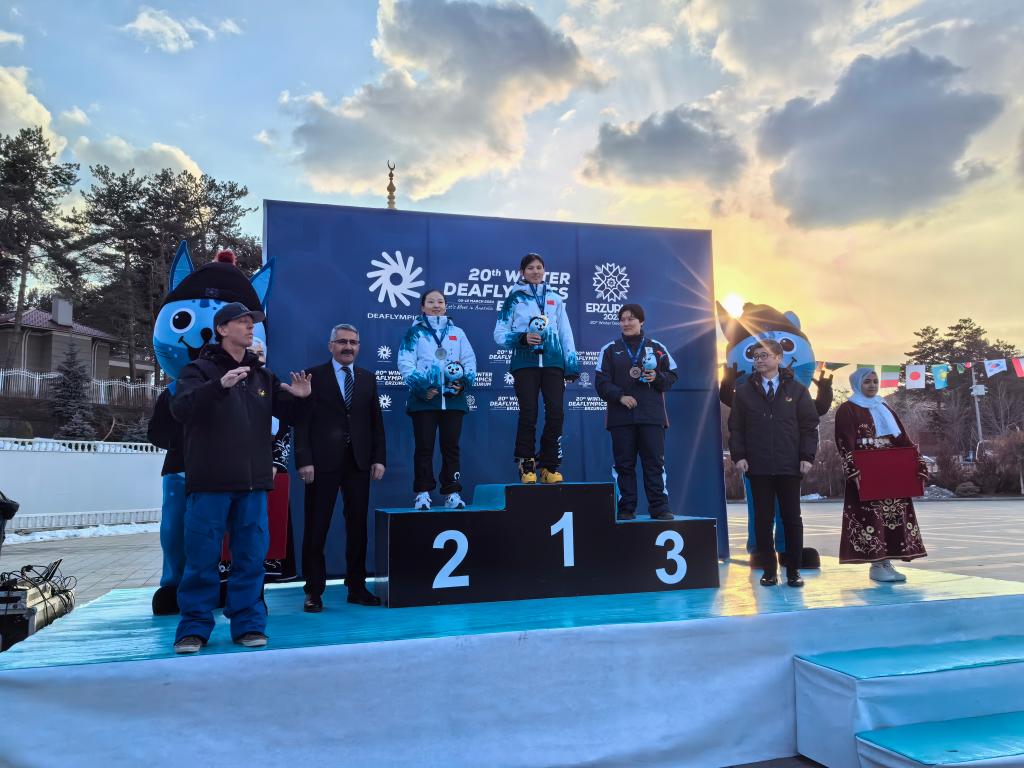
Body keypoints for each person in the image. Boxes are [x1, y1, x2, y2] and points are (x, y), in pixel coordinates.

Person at [169, 302, 311, 654]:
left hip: (252, 486)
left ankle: (248, 624)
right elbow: (181, 408)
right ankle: (194, 628)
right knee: (201, 560)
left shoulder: (262, 376)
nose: (250, 328)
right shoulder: (197, 370)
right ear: (222, 329)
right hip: (210, 483)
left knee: (250, 559)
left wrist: (301, 399)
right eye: (242, 322)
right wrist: (218, 386)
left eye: (252, 323)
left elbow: (291, 415)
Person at [296, 323, 387, 612]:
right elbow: (302, 422)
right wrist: (304, 460)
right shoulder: (313, 376)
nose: (348, 347)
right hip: (321, 464)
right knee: (316, 527)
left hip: (358, 462)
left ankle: (357, 588)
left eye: (353, 342)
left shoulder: (367, 378)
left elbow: (375, 422)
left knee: (358, 527)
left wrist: (379, 458)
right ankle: (313, 591)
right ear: (331, 345)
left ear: (359, 347)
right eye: (343, 341)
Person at [728, 339, 819, 588]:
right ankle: (769, 570)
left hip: (789, 466)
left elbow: (809, 426)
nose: (758, 360)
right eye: (755, 356)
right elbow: (736, 428)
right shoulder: (744, 392)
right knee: (762, 519)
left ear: (778, 358)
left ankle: (793, 571)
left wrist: (806, 456)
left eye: (764, 355)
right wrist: (739, 456)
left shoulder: (797, 390)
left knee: (792, 519)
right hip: (757, 467)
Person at [493, 253, 579, 484]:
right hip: (525, 364)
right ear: (522, 272)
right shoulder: (514, 298)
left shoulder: (555, 298)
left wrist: (571, 363)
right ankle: (526, 463)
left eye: (539, 267)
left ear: (544, 270)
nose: (535, 271)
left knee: (556, 413)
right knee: (529, 412)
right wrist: (522, 338)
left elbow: (565, 332)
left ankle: (549, 466)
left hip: (553, 362)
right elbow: (499, 334)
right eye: (530, 268)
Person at [835, 368, 928, 581]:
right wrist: (852, 468)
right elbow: (844, 441)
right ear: (857, 384)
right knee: (872, 516)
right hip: (866, 473)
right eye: (867, 381)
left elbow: (902, 439)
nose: (872, 385)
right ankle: (876, 565)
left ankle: (887, 562)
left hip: (891, 472)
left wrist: (917, 461)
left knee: (893, 516)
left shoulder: (884, 407)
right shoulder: (847, 409)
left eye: (875, 381)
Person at [595, 304, 678, 520]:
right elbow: (601, 382)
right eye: (622, 319)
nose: (626, 323)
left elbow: (672, 376)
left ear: (641, 321)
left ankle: (660, 507)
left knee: (654, 464)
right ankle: (626, 508)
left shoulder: (657, 347)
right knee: (624, 465)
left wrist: (657, 377)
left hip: (652, 416)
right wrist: (620, 396)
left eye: (631, 319)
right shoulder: (609, 350)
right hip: (620, 418)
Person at [398, 289, 477, 510]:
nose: (436, 305)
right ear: (422, 307)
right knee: (424, 448)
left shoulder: (457, 332)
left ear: (445, 306)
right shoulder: (414, 332)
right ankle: (423, 494)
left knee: (451, 448)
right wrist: (422, 387)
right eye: (431, 302)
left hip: (453, 399)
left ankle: (452, 493)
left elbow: (469, 360)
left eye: (440, 301)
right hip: (424, 400)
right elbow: (405, 362)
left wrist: (463, 383)